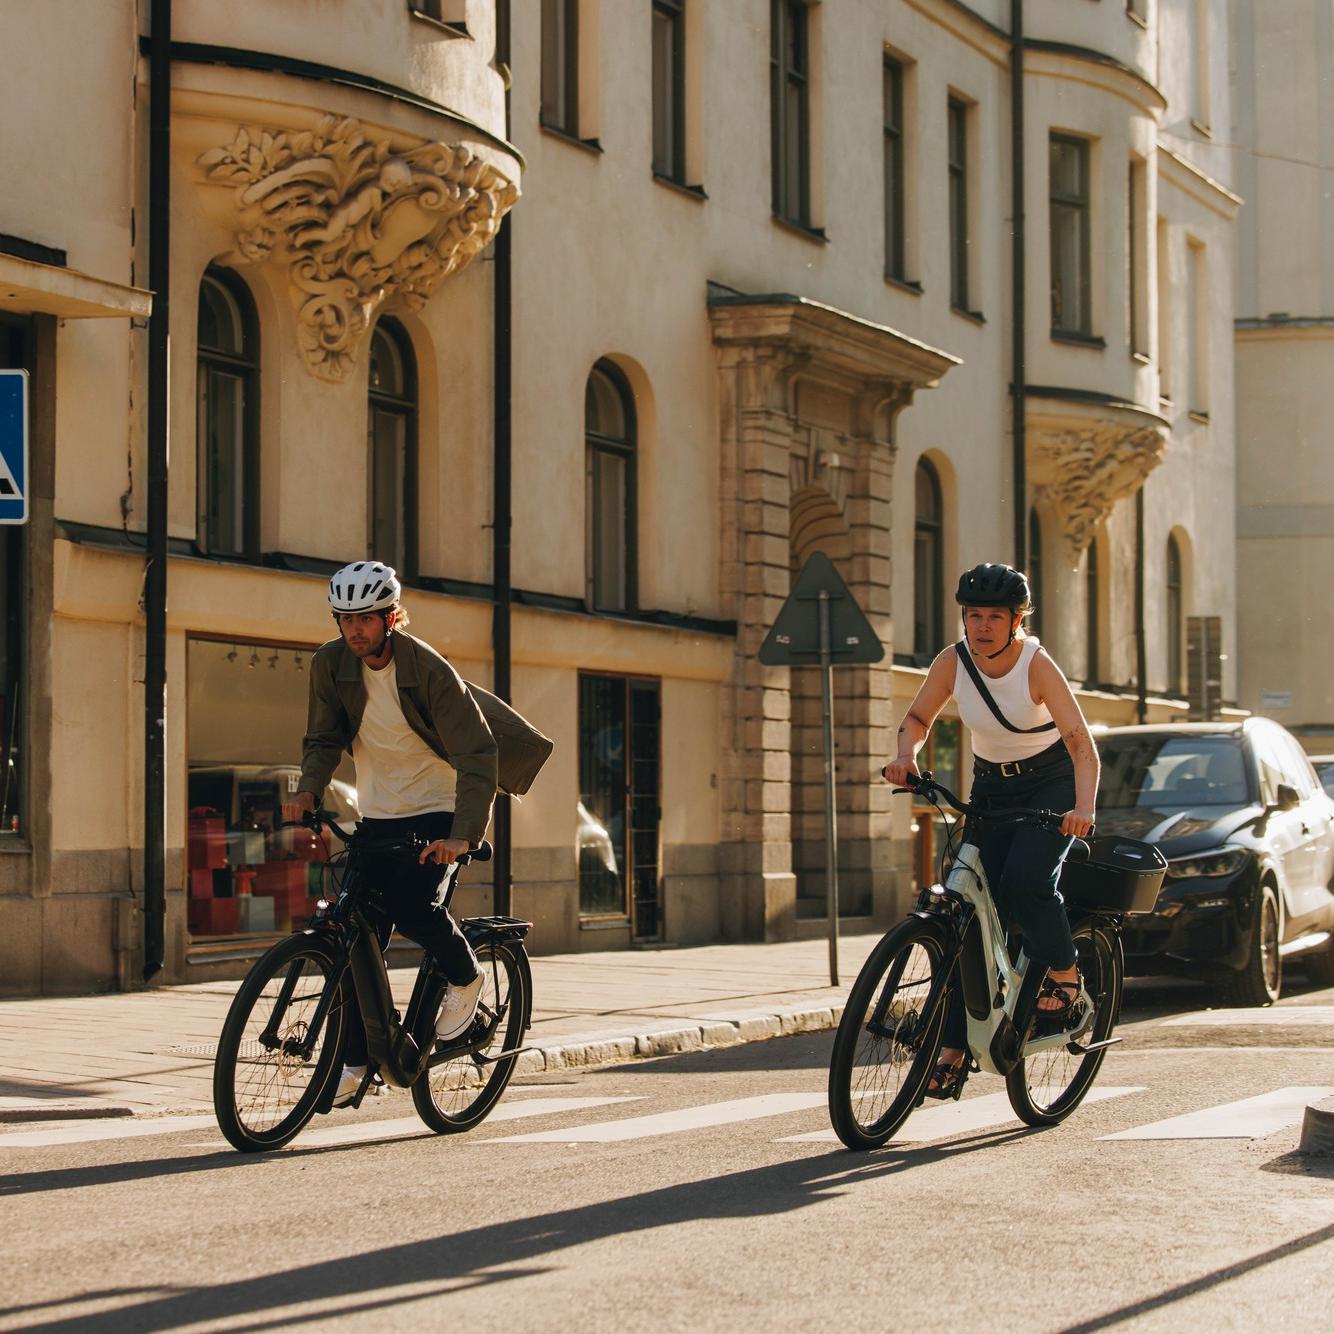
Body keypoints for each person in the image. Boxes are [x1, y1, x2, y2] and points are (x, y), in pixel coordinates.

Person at [281, 560, 498, 1106]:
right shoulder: (330, 664)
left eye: (365, 619)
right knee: (359, 940)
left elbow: (477, 753)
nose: (354, 629)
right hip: (378, 814)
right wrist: (309, 789)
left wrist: (463, 836)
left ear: (390, 618)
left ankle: (465, 976)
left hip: (436, 809)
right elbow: (323, 737)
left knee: (413, 906)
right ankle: (357, 1061)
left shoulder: (427, 669)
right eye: (345, 619)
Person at [882, 562, 1099, 1099]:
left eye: (994, 617)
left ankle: (1065, 973)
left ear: (1016, 621)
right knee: (966, 920)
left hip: (1050, 784)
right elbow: (918, 719)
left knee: (1026, 882)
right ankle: (954, 1051)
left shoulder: (1035, 665)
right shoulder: (952, 662)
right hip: (991, 786)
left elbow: (1079, 742)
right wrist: (905, 756)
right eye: (973, 615)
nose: (981, 626)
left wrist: (1083, 808)